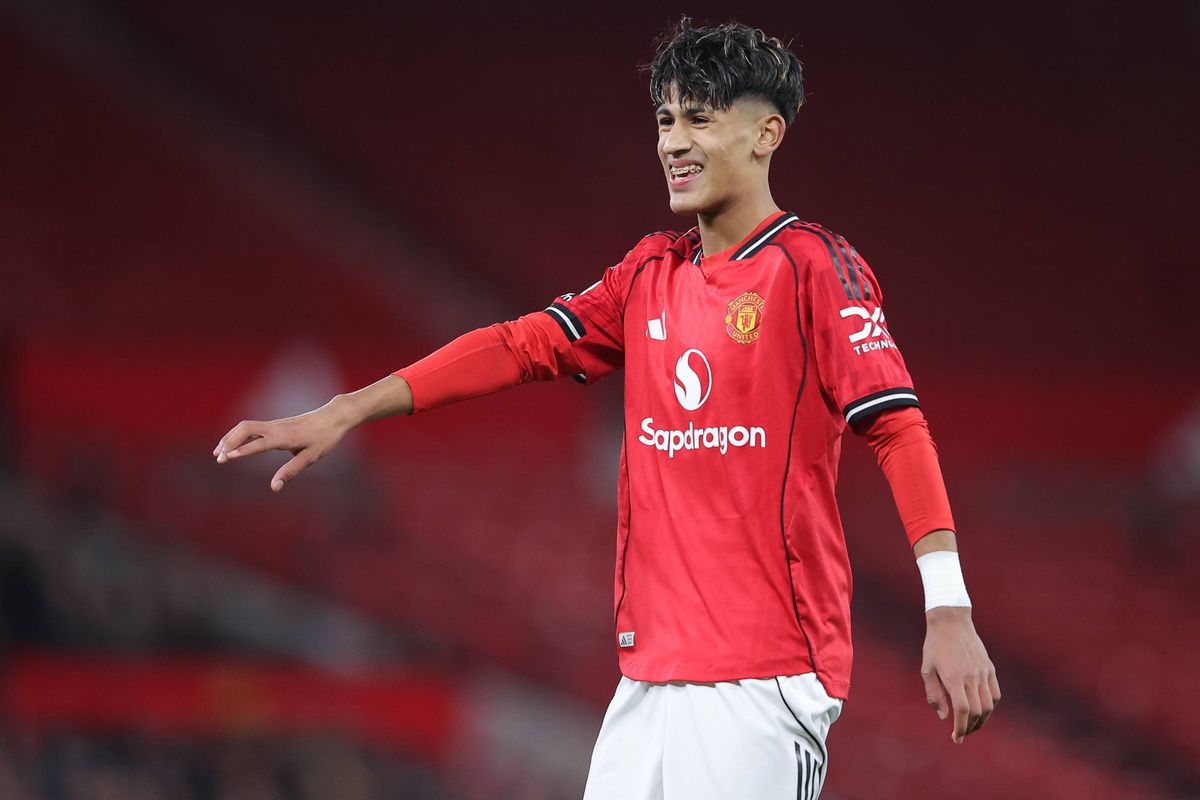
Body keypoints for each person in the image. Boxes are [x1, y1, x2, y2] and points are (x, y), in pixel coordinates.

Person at [213, 16, 1000, 799]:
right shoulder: (646, 273)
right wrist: (348, 409)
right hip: (648, 680)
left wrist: (949, 611)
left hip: (764, 678)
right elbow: (519, 346)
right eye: (664, 119)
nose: (673, 141)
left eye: (700, 117)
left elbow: (897, 427)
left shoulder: (816, 269)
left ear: (767, 133)